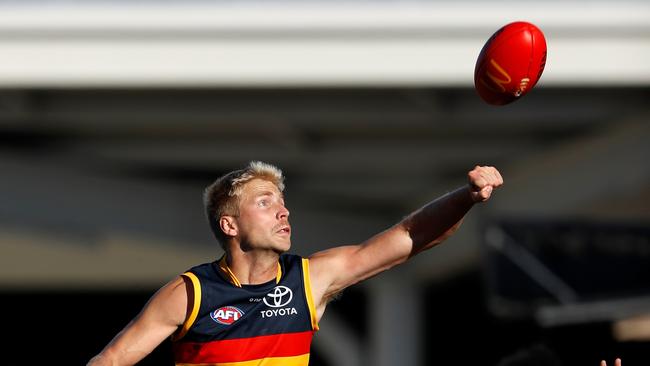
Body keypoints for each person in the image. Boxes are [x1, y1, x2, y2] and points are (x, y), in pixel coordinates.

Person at [87, 161, 503, 366]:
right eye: (265, 203)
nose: (283, 212)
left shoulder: (309, 279)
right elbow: (109, 362)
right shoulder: (190, 294)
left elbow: (409, 238)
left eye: (283, 204)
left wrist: (463, 197)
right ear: (229, 224)